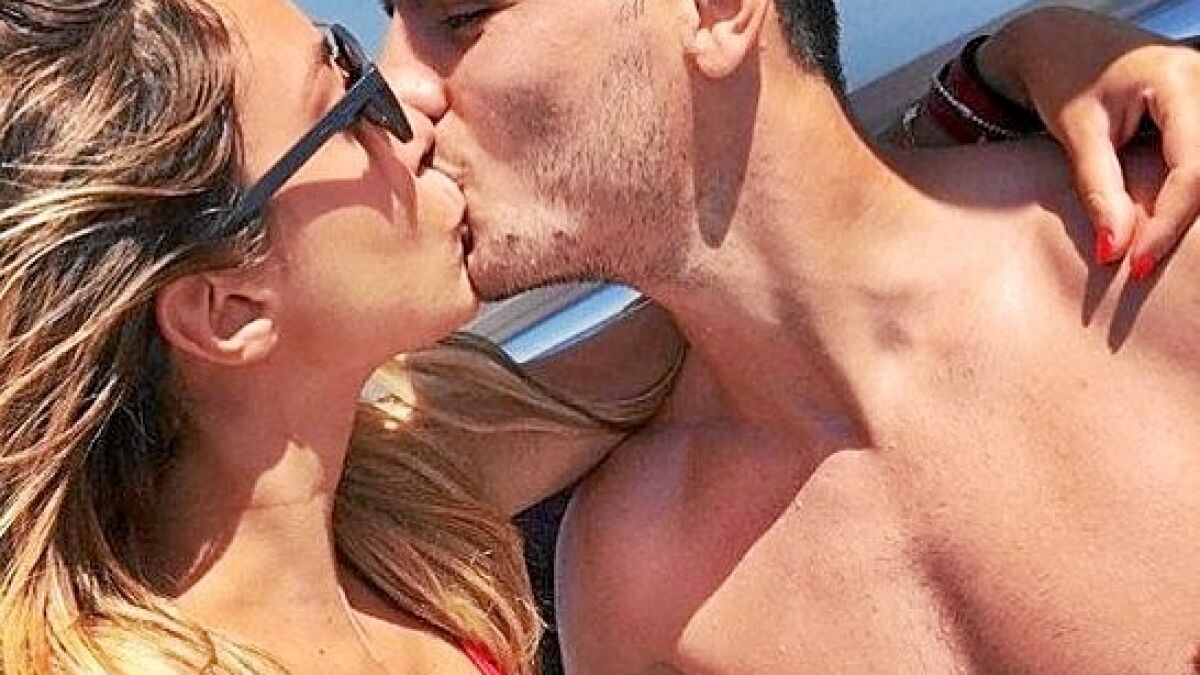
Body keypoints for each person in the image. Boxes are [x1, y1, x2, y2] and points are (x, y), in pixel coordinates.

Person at [375, 2, 1200, 673]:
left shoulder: (1169, 257)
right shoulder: (631, 582)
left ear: (719, 11)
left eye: (463, 16)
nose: (394, 96)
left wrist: (1015, 60)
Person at [0, 0, 681, 673]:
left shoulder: (405, 488)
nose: (411, 117)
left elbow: (686, 332)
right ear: (229, 311)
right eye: (349, 105)